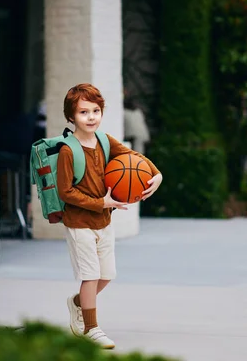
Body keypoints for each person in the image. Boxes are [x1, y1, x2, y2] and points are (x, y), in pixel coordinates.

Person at [57, 83, 163, 349]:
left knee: (107, 275)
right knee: (90, 275)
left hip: (104, 221)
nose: (91, 117)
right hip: (79, 222)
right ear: (71, 117)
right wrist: (100, 202)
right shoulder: (68, 150)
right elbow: (66, 191)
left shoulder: (104, 141)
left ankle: (79, 303)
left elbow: (131, 155)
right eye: (83, 112)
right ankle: (91, 328)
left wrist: (156, 174)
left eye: (95, 110)